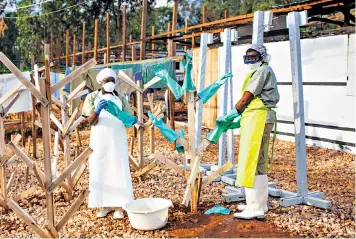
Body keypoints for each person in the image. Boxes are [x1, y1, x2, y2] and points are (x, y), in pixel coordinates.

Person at [234, 43, 280, 220]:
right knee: (258, 160)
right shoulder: (260, 71)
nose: (250, 61)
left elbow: (247, 97)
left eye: (254, 57)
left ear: (262, 57)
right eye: (247, 58)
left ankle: (255, 208)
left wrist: (233, 112)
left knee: (251, 159)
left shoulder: (262, 71)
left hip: (259, 119)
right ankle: (259, 204)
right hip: (258, 118)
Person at [82, 68, 134, 219]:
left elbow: (129, 117)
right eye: (106, 81)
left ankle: (119, 207)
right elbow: (90, 121)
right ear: (100, 82)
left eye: (112, 80)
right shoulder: (92, 97)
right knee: (101, 167)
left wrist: (133, 120)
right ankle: (104, 205)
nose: (109, 83)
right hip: (99, 138)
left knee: (118, 167)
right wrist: (97, 111)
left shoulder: (121, 98)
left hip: (117, 137)